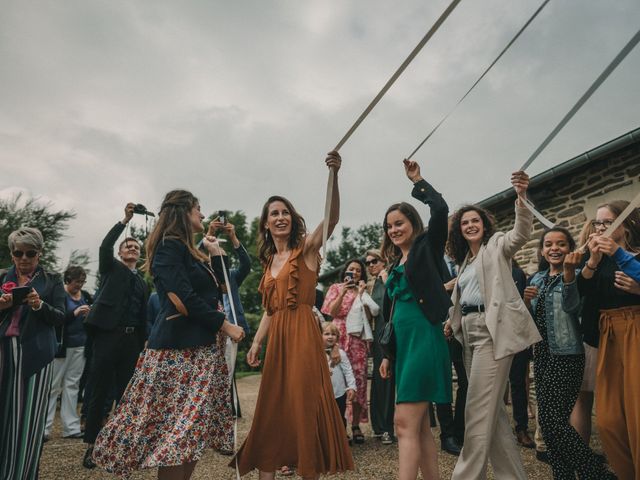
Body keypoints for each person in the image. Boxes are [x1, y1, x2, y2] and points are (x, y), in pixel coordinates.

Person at [93, 189, 245, 480]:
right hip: (178, 355)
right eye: (197, 208)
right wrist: (224, 325)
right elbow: (183, 297)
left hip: (200, 354)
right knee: (176, 438)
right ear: (183, 212)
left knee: (190, 437)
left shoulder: (192, 251)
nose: (202, 214)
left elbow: (223, 288)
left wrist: (217, 255)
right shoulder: (168, 247)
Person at [234, 151, 354, 480]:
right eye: (274, 213)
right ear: (266, 222)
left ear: (292, 218)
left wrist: (334, 175)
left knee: (303, 406)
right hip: (278, 342)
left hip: (303, 335)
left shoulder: (307, 250)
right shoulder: (268, 262)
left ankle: (308, 472)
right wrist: (257, 343)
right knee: (272, 409)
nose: (281, 217)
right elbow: (271, 312)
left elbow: (331, 220)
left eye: (285, 211)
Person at [444, 171, 542, 480]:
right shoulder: (465, 264)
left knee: (476, 409)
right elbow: (467, 298)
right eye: (465, 223)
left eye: (475, 221)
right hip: (468, 335)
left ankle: (465, 476)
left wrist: (522, 198)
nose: (470, 225)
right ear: (459, 231)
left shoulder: (497, 246)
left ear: (484, 225)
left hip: (492, 333)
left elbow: (521, 234)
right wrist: (452, 321)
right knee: (494, 414)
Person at [378, 159, 453, 480]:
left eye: (399, 223)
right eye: (389, 226)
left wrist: (419, 180)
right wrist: (387, 355)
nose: (394, 229)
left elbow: (440, 209)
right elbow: (392, 316)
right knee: (420, 427)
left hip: (425, 340)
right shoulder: (395, 262)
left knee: (403, 424)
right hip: (404, 348)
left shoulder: (427, 246)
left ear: (412, 222)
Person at [525, 227, 614, 479]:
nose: (554, 248)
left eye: (561, 244)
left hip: (567, 355)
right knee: (549, 425)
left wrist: (567, 273)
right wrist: (525, 300)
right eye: (549, 244)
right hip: (541, 354)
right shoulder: (536, 279)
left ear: (571, 248)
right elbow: (533, 320)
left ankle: (598, 474)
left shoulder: (578, 275)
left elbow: (572, 306)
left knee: (555, 423)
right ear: (542, 250)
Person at [82, 203, 149, 468]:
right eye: (128, 246)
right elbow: (104, 246)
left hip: (132, 342)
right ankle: (91, 447)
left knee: (127, 394)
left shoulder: (143, 283)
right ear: (121, 253)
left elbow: (143, 314)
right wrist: (125, 220)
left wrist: (144, 341)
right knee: (99, 392)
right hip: (107, 337)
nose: (132, 249)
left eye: (136, 248)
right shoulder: (111, 268)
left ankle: (121, 447)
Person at [579, 200, 640, 479]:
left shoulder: (636, 256)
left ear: (625, 224)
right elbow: (582, 290)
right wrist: (592, 260)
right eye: (598, 223)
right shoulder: (598, 259)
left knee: (637, 414)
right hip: (608, 334)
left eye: (606, 222)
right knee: (608, 419)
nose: (600, 227)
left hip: (636, 330)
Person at [0, 227, 65, 480]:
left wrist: (39, 305)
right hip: (4, 351)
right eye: (18, 253)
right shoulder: (2, 276)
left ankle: (22, 474)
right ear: (11, 253)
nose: (24, 258)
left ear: (40, 253)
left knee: (27, 420)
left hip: (35, 356)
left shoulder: (52, 280)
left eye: (30, 253)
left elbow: (60, 317)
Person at [322, 258, 375, 443]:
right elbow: (331, 312)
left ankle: (356, 425)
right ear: (345, 271)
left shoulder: (363, 291)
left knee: (359, 382)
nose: (354, 272)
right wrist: (343, 292)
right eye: (351, 269)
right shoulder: (336, 288)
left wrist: (362, 296)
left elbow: (368, 317)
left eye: (358, 270)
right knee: (338, 381)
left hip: (357, 340)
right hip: (338, 337)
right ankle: (339, 425)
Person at [45, 265, 93, 440]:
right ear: (67, 280)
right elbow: (57, 318)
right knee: (53, 386)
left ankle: (71, 427)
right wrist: (74, 313)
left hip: (80, 346)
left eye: (82, 282)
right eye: (76, 282)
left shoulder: (86, 296)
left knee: (72, 385)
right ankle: (45, 427)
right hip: (62, 347)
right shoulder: (61, 296)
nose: (79, 285)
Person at [434, 253, 466, 456]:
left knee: (466, 381)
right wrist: (443, 288)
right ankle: (447, 436)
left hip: (464, 328)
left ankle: (461, 429)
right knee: (443, 384)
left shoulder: (466, 258)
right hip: (438, 328)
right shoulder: (432, 259)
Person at [366, 249, 395, 446]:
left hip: (394, 330)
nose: (370, 265)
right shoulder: (370, 284)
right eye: (367, 262)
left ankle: (390, 427)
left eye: (374, 261)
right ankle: (379, 426)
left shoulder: (390, 277)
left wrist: (386, 280)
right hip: (378, 335)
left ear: (384, 261)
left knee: (393, 379)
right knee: (380, 379)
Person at [509, 261, 535, 449]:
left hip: (516, 333)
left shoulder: (518, 274)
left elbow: (525, 306)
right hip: (490, 334)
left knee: (518, 381)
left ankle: (521, 428)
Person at [322, 322, 356, 431]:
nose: (330, 336)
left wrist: (351, 387)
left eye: (333, 334)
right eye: (326, 334)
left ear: (337, 337)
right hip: (323, 393)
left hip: (339, 393)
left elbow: (348, 371)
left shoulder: (341, 353)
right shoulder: (317, 353)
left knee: (340, 417)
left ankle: (342, 438)